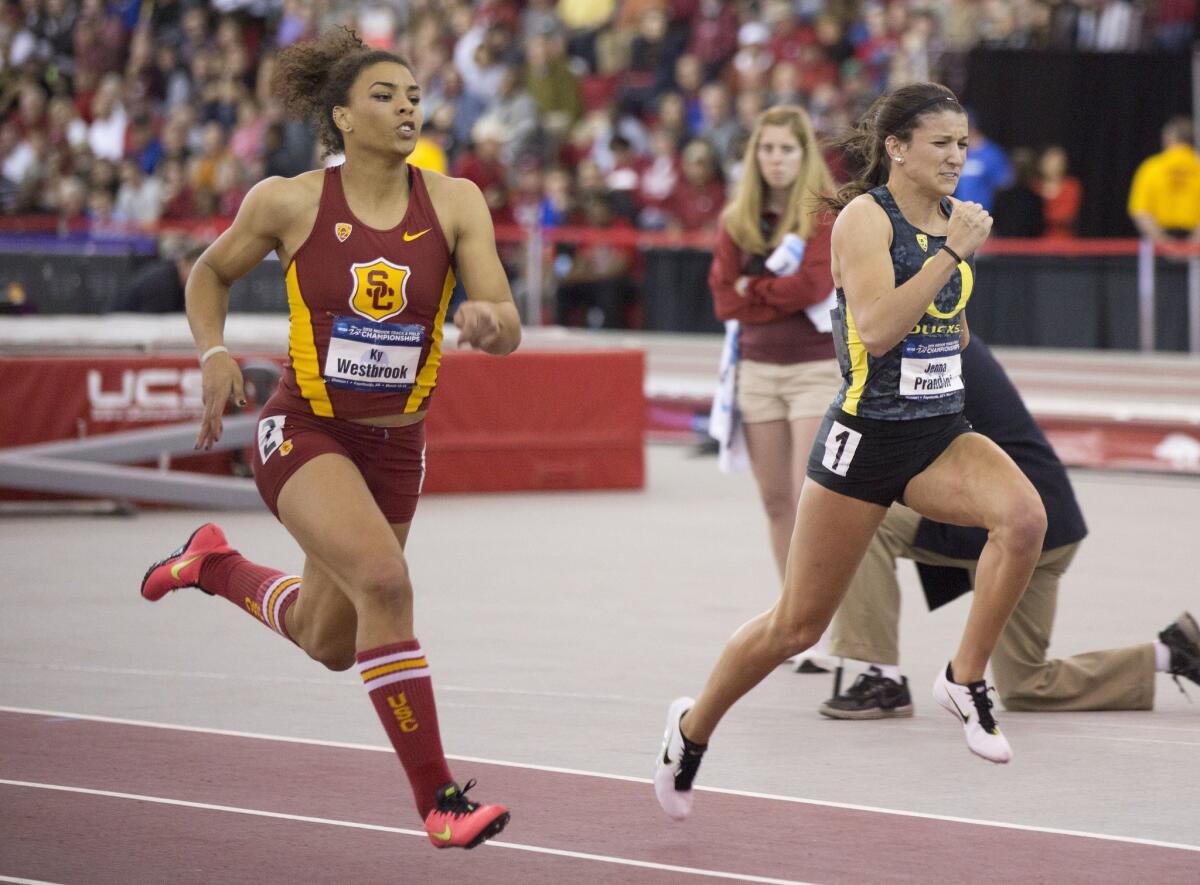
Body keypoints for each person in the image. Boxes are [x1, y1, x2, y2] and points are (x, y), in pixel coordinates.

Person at [138, 28, 521, 851]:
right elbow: (208, 272)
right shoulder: (289, 199)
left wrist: (490, 321)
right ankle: (440, 801)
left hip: (396, 448)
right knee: (385, 582)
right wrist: (212, 352)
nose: (407, 107)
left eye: (415, 95)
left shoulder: (455, 202)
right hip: (304, 430)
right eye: (385, 96)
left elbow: (507, 318)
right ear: (343, 116)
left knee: (329, 639)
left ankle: (213, 564)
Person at [654, 82, 1048, 822]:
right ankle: (691, 728)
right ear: (897, 148)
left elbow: (946, 325)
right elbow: (874, 330)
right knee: (797, 625)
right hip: (865, 439)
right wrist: (951, 254)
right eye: (943, 143)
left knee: (1024, 518)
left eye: (964, 143)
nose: (958, 157)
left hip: (939, 431)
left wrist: (952, 317)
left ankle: (964, 678)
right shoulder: (863, 218)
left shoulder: (949, 218)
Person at [818, 335, 1200, 719]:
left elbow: (891, 452)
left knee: (856, 518)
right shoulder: (940, 338)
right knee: (1026, 685)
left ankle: (882, 677)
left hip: (1007, 520)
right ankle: (1171, 652)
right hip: (1051, 522)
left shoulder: (923, 352)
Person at [706, 105, 842, 671]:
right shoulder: (739, 218)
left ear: (804, 153)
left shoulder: (824, 213)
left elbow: (813, 285)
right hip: (756, 371)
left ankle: (823, 625)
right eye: (767, 149)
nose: (777, 159)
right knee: (775, 501)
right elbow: (722, 298)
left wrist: (752, 287)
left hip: (813, 370)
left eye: (787, 149)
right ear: (755, 156)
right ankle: (792, 622)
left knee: (811, 500)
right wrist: (765, 291)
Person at [1127, 116, 1200, 245]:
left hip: (1159, 245)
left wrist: (1164, 242)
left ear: (1168, 139)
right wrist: (1194, 243)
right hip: (1196, 243)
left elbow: (1140, 211)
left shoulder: (1151, 167)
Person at [114, 243, 205, 313]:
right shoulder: (162, 283)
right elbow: (151, 321)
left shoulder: (176, 281)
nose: (199, 280)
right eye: (196, 272)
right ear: (183, 263)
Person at [952, 112, 1011, 213]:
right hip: (958, 214)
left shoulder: (992, 154)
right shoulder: (956, 153)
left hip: (986, 215)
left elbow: (1004, 186)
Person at [990, 148, 1045, 238]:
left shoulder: (1035, 200)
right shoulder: (1002, 196)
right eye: (1018, 166)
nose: (1021, 170)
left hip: (1030, 249)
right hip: (1003, 248)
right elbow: (994, 226)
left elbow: (1038, 229)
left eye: (1024, 166)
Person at [1035, 145, 1081, 239]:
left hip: (1064, 242)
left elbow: (1066, 215)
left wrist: (1043, 215)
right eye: (1050, 161)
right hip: (1038, 243)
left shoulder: (1071, 186)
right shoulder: (1035, 187)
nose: (1054, 166)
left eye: (1057, 162)